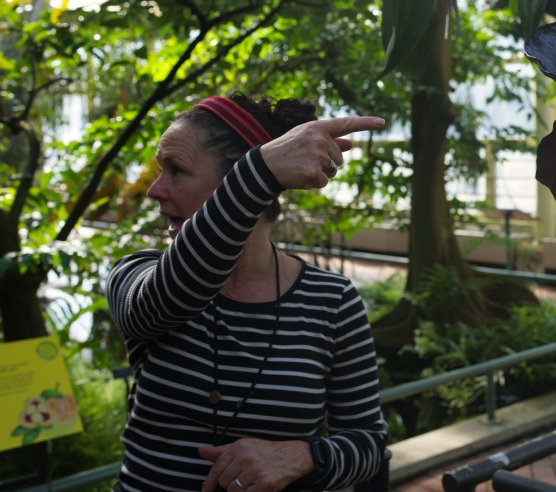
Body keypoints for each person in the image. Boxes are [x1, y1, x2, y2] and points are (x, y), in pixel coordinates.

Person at [106, 93, 389, 492]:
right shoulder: (137, 273)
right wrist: (261, 170)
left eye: (176, 171)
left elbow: (369, 444)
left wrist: (306, 455)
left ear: (238, 186)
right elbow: (171, 296)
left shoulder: (332, 301)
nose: (154, 190)